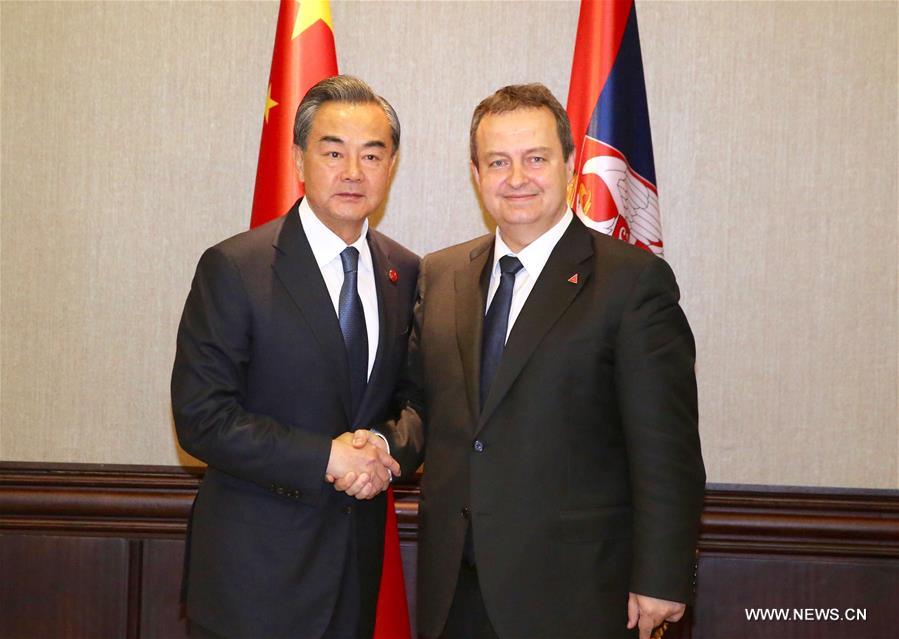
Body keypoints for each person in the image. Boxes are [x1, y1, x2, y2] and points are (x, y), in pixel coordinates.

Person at [344, 83, 705, 639]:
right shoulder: (441, 276)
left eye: (535, 158)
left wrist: (661, 575)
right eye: (498, 162)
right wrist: (384, 445)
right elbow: (423, 405)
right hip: (455, 590)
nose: (517, 179)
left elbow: (668, 448)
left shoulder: (632, 284)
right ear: (476, 172)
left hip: (576, 595)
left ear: (568, 164)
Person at [171, 75, 418, 639]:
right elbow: (201, 417)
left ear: (391, 165)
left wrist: (381, 445)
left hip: (355, 580)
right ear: (300, 160)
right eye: (334, 151)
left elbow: (417, 401)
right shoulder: (235, 268)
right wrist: (324, 459)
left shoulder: (404, 273)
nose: (353, 171)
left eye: (371, 154)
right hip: (253, 583)